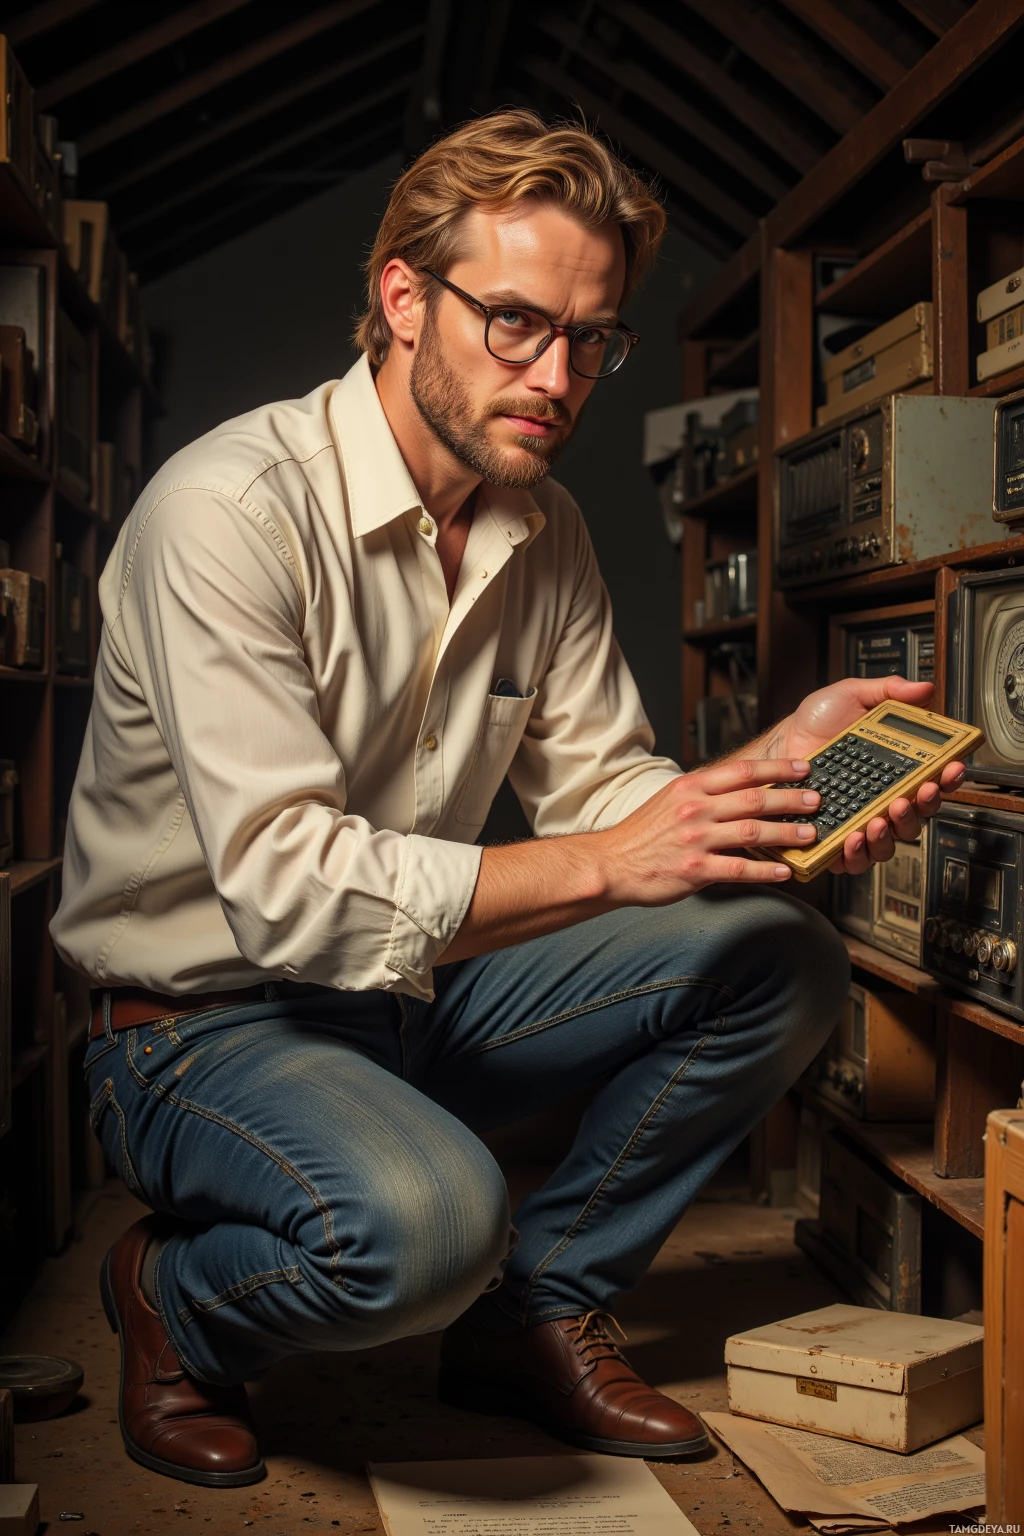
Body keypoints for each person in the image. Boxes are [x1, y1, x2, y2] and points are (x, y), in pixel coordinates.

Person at [52, 110, 964, 1490]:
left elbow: (614, 794)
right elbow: (291, 892)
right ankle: (172, 1303)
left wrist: (774, 782)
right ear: (402, 296)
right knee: (426, 1227)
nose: (558, 376)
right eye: (518, 323)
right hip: (199, 1024)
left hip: (416, 988)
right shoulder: (226, 513)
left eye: (592, 340)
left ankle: (531, 1317)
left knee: (779, 956)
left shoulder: (549, 533)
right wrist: (614, 858)